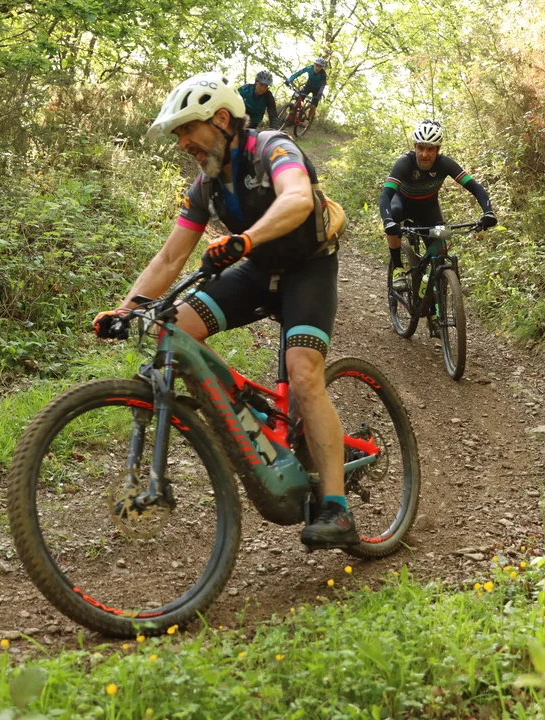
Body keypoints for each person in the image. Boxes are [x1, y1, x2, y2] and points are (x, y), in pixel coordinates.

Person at [93, 72, 356, 549]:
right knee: (174, 327)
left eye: (187, 130)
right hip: (257, 267)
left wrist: (246, 239)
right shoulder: (206, 186)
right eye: (177, 136)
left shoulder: (272, 147)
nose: (183, 144)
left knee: (303, 372)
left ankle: (337, 508)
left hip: (308, 268)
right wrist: (126, 309)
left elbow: (297, 198)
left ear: (219, 119)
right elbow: (169, 258)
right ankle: (248, 417)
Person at [380, 119, 496, 295]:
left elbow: (475, 187)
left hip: (428, 210)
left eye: (430, 149)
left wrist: (488, 213)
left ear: (438, 150)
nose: (424, 154)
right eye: (420, 148)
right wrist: (388, 221)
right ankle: (397, 268)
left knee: (441, 246)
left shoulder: (445, 164)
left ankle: (433, 289)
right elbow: (386, 195)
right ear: (414, 146)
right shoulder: (404, 163)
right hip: (401, 204)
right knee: (394, 215)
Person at [286, 57, 327, 125]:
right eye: (316, 65)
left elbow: (323, 85)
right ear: (314, 64)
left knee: (313, 105)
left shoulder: (323, 74)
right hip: (308, 86)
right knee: (298, 98)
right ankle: (292, 115)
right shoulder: (309, 68)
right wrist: (289, 80)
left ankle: (308, 119)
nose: (317, 68)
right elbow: (298, 73)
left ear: (321, 68)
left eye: (319, 67)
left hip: (317, 90)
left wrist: (319, 95)